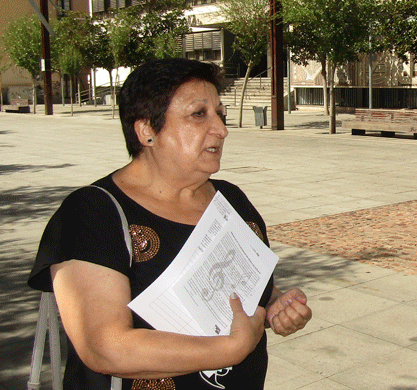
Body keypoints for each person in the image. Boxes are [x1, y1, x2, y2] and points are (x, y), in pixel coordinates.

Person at [28, 58, 312, 389]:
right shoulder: (92, 213)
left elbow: (243, 290)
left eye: (220, 114)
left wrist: (275, 304)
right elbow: (104, 347)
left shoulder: (232, 201)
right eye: (199, 114)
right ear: (147, 131)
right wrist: (230, 349)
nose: (221, 129)